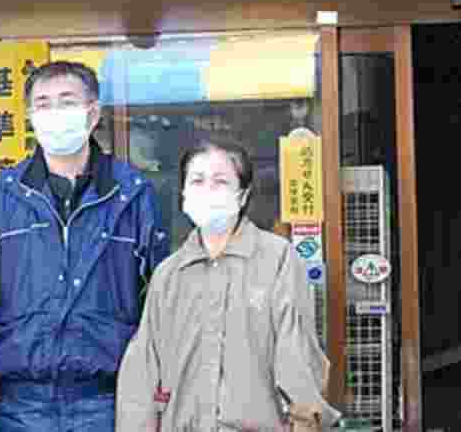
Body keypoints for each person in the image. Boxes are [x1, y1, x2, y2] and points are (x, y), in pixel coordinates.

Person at [0, 61, 169, 431]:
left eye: (66, 101)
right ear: (29, 117)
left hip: (107, 401)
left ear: (93, 114)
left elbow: (159, 303)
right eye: (43, 104)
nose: (54, 113)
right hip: (18, 405)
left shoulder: (132, 194)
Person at [116, 139, 340, 431]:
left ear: (243, 194)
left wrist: (304, 421)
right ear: (183, 193)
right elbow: (143, 373)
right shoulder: (168, 275)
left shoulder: (277, 259)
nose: (207, 190)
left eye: (221, 181)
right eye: (197, 181)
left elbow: (296, 355)